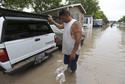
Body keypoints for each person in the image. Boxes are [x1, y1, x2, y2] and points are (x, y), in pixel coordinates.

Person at [48, 8, 82, 73]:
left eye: (62, 18)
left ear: (67, 15)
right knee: (67, 63)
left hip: (73, 51)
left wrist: (73, 53)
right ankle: (68, 70)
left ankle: (72, 78)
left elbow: (78, 40)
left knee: (73, 67)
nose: (62, 20)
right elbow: (59, 26)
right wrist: (52, 21)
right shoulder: (65, 23)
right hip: (67, 50)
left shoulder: (75, 24)